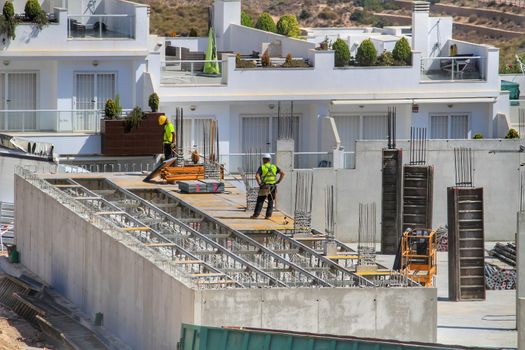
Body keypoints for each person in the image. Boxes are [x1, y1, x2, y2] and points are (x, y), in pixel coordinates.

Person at [251, 153, 285, 219]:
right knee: (271, 201)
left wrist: (259, 183)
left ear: (263, 160)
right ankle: (268, 216)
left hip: (264, 186)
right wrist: (278, 181)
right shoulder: (274, 167)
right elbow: (283, 173)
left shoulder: (262, 167)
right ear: (270, 160)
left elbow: (257, 176)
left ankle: (256, 215)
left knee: (260, 200)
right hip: (273, 186)